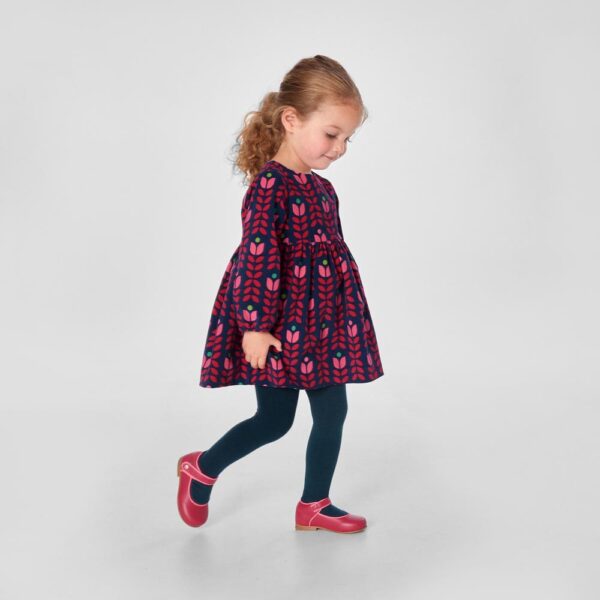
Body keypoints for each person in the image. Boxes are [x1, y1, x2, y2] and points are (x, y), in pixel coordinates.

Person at [177, 55, 384, 534]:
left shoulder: (323, 190)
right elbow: (258, 256)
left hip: (324, 327)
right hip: (279, 327)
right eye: (331, 134)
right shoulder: (269, 186)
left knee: (333, 412)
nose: (340, 148)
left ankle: (314, 504)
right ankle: (201, 468)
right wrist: (253, 326)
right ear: (292, 120)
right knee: (274, 421)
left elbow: (330, 258)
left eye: (347, 138)